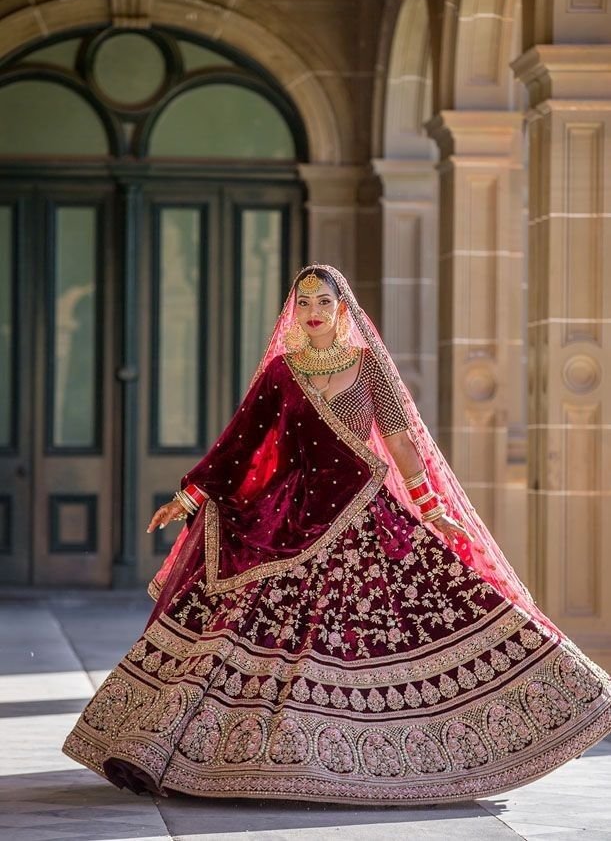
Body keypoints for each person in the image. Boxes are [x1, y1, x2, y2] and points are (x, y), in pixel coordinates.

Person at [63, 264, 611, 805]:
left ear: (343, 310)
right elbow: (240, 445)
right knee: (251, 632)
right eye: (303, 303)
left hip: (361, 511)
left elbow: (399, 444)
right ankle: (220, 752)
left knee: (425, 608)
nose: (314, 312)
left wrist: (429, 506)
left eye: (324, 302)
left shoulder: (370, 368)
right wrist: (189, 494)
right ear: (293, 312)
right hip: (288, 520)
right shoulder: (283, 372)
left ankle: (544, 705)